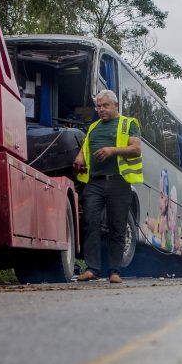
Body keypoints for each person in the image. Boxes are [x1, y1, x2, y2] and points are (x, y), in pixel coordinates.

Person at [73, 90, 142, 283]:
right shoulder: (93, 127)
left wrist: (112, 151)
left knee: (117, 227)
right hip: (94, 182)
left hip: (119, 182)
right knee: (90, 223)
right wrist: (79, 158)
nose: (101, 109)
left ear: (116, 105)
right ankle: (92, 269)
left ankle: (114, 272)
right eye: (98, 106)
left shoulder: (128, 124)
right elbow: (85, 148)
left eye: (105, 105)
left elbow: (136, 149)